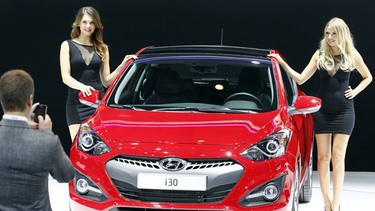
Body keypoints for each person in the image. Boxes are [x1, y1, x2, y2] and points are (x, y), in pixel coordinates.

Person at [269, 17, 372, 211]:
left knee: (338, 157)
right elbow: (300, 79)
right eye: (327, 33)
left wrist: (355, 91)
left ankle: (336, 202)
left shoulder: (351, 54)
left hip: (344, 111)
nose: (330, 37)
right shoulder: (320, 54)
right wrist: (281, 62)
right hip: (322, 112)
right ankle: (326, 203)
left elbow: (368, 77)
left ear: (341, 34)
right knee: (323, 158)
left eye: (334, 33)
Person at [0, 69, 75, 211]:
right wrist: (47, 133)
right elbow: (67, 175)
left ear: (2, 99)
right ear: (29, 100)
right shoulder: (47, 141)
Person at [60, 6, 137, 141]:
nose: (88, 26)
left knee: (99, 145)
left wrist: (122, 65)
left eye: (92, 22)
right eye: (85, 22)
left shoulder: (102, 48)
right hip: (76, 102)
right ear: (78, 23)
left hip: (97, 102)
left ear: (96, 25)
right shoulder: (67, 45)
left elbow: (106, 80)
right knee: (79, 145)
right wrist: (82, 87)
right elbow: (65, 77)